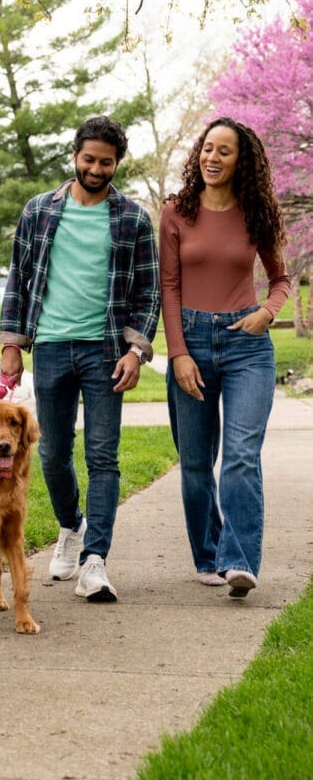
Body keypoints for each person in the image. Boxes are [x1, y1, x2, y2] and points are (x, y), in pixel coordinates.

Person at [0, 116, 160, 602]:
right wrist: (11, 344)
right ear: (74, 156)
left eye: (106, 162)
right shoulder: (39, 210)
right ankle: (71, 526)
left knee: (103, 455)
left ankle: (95, 560)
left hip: (105, 351)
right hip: (50, 346)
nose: (96, 169)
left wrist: (136, 351)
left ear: (117, 163)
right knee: (51, 452)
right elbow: (18, 278)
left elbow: (148, 292)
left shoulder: (132, 218)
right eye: (89, 159)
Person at [159, 117, 289, 597]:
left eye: (224, 151)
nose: (212, 158)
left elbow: (280, 280)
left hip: (246, 348)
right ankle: (208, 554)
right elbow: (169, 287)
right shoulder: (176, 212)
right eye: (207, 148)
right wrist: (178, 353)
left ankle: (239, 561)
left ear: (241, 161)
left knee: (240, 456)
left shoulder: (256, 213)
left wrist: (267, 313)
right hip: (191, 342)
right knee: (196, 464)